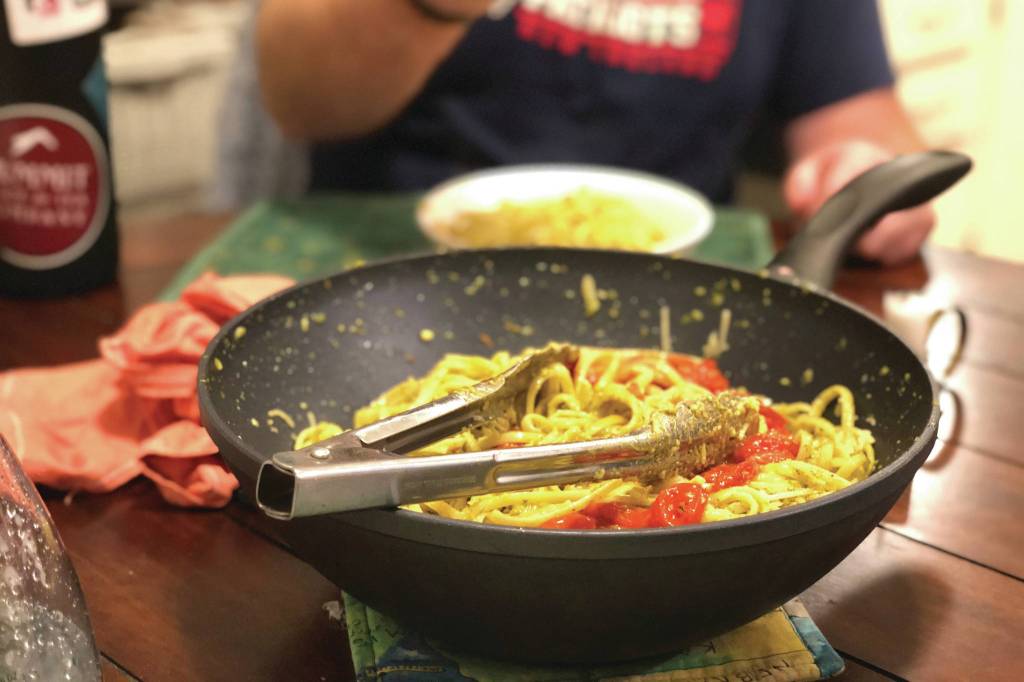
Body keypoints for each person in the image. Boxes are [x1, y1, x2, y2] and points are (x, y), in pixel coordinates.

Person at [253, 0, 933, 264]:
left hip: (671, 293)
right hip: (396, 268)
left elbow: (862, 121)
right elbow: (298, 101)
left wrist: (865, 178)